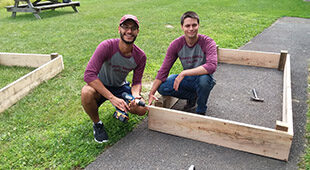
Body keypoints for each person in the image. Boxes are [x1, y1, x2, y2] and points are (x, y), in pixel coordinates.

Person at [81, 14, 147, 143]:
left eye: (133, 28)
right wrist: (112, 98)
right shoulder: (107, 46)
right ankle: (97, 124)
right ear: (119, 29)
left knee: (141, 109)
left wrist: (136, 96)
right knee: (86, 93)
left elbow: (137, 82)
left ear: (137, 31)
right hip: (100, 86)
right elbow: (89, 75)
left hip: (120, 87)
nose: (129, 31)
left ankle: (121, 107)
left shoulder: (140, 56)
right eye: (125, 27)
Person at [148, 11, 217, 115]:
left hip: (204, 78)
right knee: (163, 87)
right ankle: (193, 97)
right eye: (187, 26)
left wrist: (184, 73)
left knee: (204, 81)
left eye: (194, 25)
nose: (191, 29)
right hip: (188, 79)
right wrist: (152, 92)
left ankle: (201, 110)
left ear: (198, 25)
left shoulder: (208, 42)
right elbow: (164, 70)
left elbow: (211, 66)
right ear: (182, 27)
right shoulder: (176, 44)